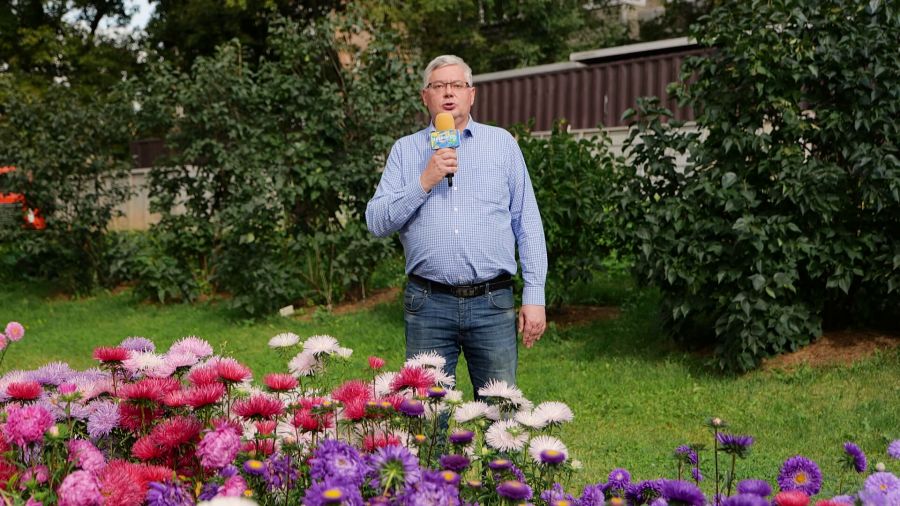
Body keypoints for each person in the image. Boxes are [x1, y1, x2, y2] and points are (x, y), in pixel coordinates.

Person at [365, 55, 547, 397]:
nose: (448, 93)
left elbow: (528, 222)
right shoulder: (405, 151)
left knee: (500, 409)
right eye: (439, 86)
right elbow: (376, 222)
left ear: (471, 94)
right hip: (428, 304)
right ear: (425, 96)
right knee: (426, 411)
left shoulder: (502, 144)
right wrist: (425, 181)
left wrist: (534, 296)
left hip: (493, 302)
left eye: (457, 85)